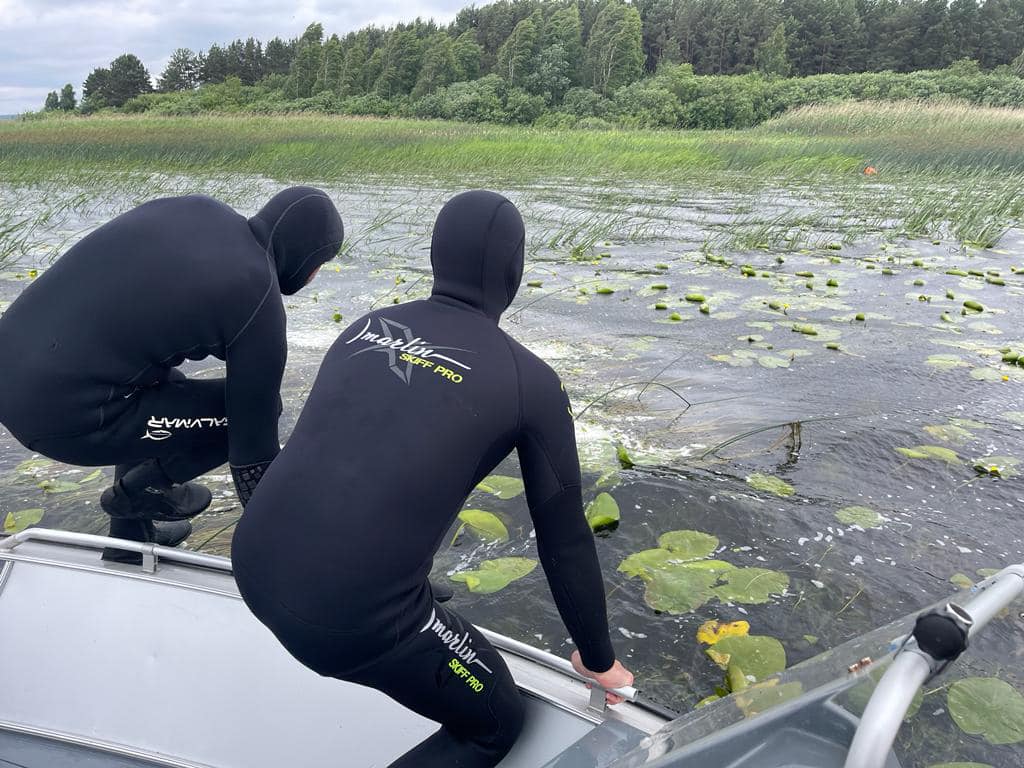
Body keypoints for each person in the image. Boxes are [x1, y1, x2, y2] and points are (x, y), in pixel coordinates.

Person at [231, 190, 633, 768]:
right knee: (495, 721)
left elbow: (350, 465)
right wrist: (596, 658)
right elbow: (564, 538)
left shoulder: (366, 328)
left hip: (254, 566)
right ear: (514, 269)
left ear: (436, 256)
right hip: (350, 621)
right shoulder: (531, 382)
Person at [0, 187, 344, 563]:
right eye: (319, 265)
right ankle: (139, 492)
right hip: (62, 419)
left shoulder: (194, 208)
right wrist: (294, 553)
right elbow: (252, 458)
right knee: (254, 411)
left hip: (13, 370)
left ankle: (127, 543)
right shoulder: (258, 298)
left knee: (158, 382)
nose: (313, 276)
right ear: (306, 257)